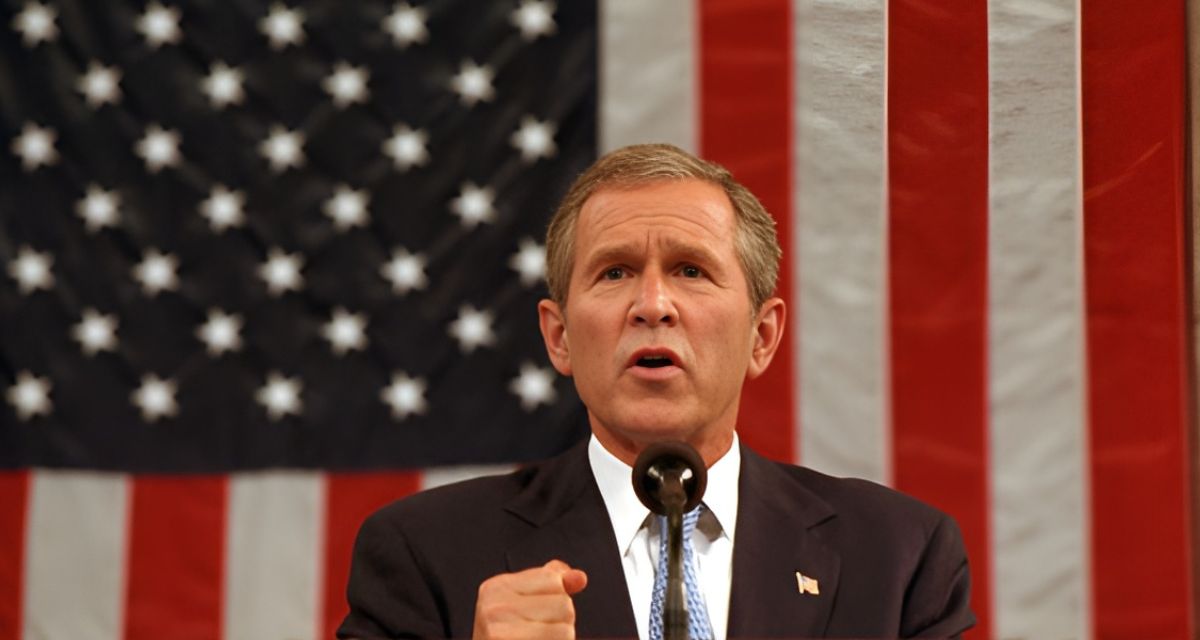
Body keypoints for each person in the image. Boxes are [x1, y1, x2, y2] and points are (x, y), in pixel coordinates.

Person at [338, 144, 975, 639]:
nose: (653, 305)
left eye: (690, 270)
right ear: (558, 337)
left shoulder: (897, 557)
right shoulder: (427, 553)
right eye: (614, 272)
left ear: (762, 335)